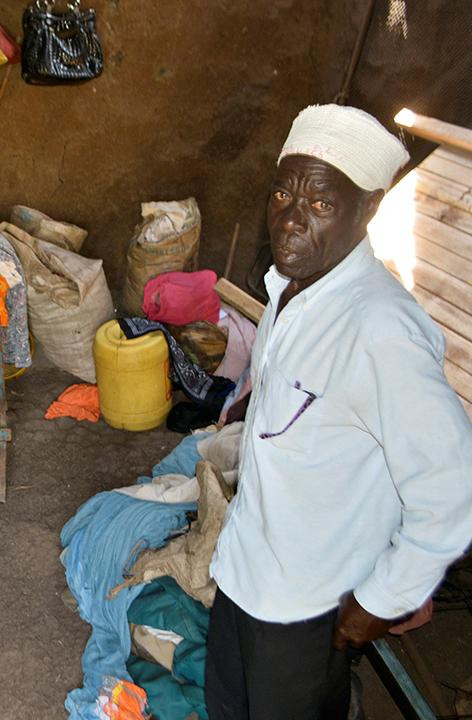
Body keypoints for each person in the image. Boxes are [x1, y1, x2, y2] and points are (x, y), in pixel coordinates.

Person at [205, 104, 472, 719]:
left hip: (307, 607)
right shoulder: (290, 288)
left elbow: (451, 491)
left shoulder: (381, 330)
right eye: (282, 194)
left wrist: (379, 601)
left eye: (320, 205)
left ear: (369, 209)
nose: (291, 222)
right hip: (244, 570)